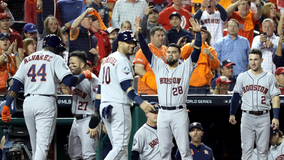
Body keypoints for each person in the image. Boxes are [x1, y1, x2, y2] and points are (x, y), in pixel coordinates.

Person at [1, 34, 93, 160]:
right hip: (45, 102)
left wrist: (7, 105)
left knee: (35, 146)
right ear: (55, 47)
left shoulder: (28, 59)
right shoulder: (55, 58)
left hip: (28, 104)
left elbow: (15, 85)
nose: (60, 52)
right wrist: (84, 75)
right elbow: (70, 81)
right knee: (42, 147)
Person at [136, 16, 202, 159]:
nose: (171, 54)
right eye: (169, 52)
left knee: (184, 150)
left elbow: (196, 52)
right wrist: (140, 34)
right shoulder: (159, 66)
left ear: (179, 55)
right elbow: (145, 50)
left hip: (179, 112)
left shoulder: (185, 67)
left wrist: (198, 35)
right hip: (163, 113)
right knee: (164, 150)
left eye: (174, 52)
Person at [89, 30, 155, 160]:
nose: (132, 45)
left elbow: (100, 89)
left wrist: (96, 110)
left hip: (105, 107)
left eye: (133, 42)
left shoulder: (107, 60)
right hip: (118, 106)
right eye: (128, 42)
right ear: (119, 43)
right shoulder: (122, 60)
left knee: (120, 151)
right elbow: (125, 85)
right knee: (121, 147)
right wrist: (141, 102)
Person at [229, 48, 281, 160]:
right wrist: (232, 113)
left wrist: (275, 117)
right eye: (251, 59)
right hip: (247, 116)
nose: (253, 62)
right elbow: (236, 96)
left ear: (261, 60)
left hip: (264, 116)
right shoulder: (242, 76)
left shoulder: (269, 77)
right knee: (246, 150)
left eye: (256, 59)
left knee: (263, 151)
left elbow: (275, 98)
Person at [68, 51, 101, 160]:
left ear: (82, 65)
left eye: (73, 63)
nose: (70, 66)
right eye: (69, 63)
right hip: (76, 120)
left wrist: (94, 123)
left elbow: (98, 102)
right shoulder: (74, 79)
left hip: (88, 120)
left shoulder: (92, 79)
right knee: (74, 156)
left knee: (89, 156)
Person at [181, 26, 219, 94]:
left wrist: (210, 55)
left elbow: (216, 66)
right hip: (189, 85)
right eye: (198, 33)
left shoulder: (210, 50)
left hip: (204, 86)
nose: (200, 35)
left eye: (202, 33)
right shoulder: (189, 46)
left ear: (206, 36)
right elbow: (182, 54)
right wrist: (191, 44)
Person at [133, 26, 167, 95]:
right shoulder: (144, 50)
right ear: (152, 37)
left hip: (163, 91)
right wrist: (152, 81)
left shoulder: (166, 49)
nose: (161, 37)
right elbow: (137, 69)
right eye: (158, 35)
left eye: (162, 35)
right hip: (147, 92)